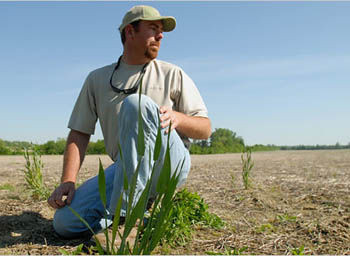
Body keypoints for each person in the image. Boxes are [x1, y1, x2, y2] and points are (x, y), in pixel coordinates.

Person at [47, 5, 211, 239]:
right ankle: (141, 211)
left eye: (162, 31)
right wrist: (68, 180)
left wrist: (178, 118)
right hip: (125, 170)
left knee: (137, 104)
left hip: (167, 167)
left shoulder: (172, 73)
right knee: (65, 223)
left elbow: (205, 128)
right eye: (153, 28)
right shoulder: (97, 79)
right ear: (130, 32)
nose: (161, 35)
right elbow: (79, 133)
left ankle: (126, 221)